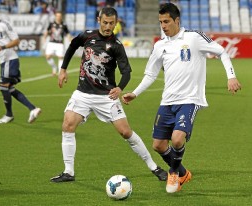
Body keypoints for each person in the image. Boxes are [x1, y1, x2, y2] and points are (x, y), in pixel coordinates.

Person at [122, 3, 242, 193]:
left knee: (177, 140)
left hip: (190, 99)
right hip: (167, 101)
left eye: (167, 21)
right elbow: (150, 74)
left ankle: (174, 172)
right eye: (161, 22)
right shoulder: (160, 45)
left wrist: (231, 76)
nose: (163, 25)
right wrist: (135, 93)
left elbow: (221, 51)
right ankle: (183, 173)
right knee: (158, 145)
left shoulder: (193, 38)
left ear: (177, 20)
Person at [50, 7, 167, 183]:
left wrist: (120, 87)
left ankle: (154, 167)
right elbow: (73, 45)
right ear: (99, 20)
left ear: (116, 23)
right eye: (105, 22)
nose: (108, 26)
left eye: (111, 23)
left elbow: (126, 71)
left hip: (106, 97)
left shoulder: (117, 46)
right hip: (82, 93)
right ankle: (69, 172)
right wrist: (63, 69)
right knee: (68, 125)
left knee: (126, 132)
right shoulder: (87, 36)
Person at [0, 2, 41, 124]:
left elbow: (16, 41)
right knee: (9, 88)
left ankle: (9, 115)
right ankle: (32, 109)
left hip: (10, 59)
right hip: (3, 61)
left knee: (3, 87)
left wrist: (2, 47)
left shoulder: (4, 25)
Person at [43, 10, 71, 76]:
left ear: (61, 17)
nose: (59, 17)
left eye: (60, 16)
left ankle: (60, 72)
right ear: (55, 16)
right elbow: (47, 31)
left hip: (60, 43)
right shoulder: (51, 23)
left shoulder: (64, 25)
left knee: (60, 57)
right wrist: (44, 38)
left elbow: (67, 34)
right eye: (57, 16)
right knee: (47, 57)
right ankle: (54, 67)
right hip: (51, 43)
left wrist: (71, 40)